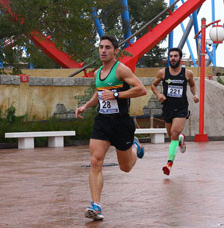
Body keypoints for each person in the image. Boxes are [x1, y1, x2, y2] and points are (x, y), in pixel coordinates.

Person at [75, 35, 147, 221]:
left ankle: (134, 146)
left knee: (126, 168)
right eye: (101, 47)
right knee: (95, 161)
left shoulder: (121, 70)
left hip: (121, 123)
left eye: (107, 47)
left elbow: (141, 89)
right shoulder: (98, 72)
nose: (103, 50)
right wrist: (86, 106)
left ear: (116, 51)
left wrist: (116, 94)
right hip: (103, 122)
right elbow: (99, 94)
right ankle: (96, 206)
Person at [151, 47, 199, 175]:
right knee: (172, 136)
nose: (173, 58)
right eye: (171, 56)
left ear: (180, 58)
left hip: (181, 108)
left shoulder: (187, 73)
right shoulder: (162, 73)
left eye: (175, 56)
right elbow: (153, 85)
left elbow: (192, 85)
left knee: (174, 132)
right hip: (167, 107)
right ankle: (180, 141)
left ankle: (169, 164)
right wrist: (159, 95)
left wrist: (195, 94)